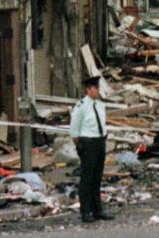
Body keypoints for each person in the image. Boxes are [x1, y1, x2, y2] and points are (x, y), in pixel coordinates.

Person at [69, 76, 114, 223]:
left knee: (97, 178)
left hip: (100, 141)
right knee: (87, 178)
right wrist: (80, 144)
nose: (98, 91)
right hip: (88, 143)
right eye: (95, 88)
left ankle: (98, 210)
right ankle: (85, 211)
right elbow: (74, 129)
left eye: (98, 88)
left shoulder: (100, 105)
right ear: (88, 90)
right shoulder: (81, 106)